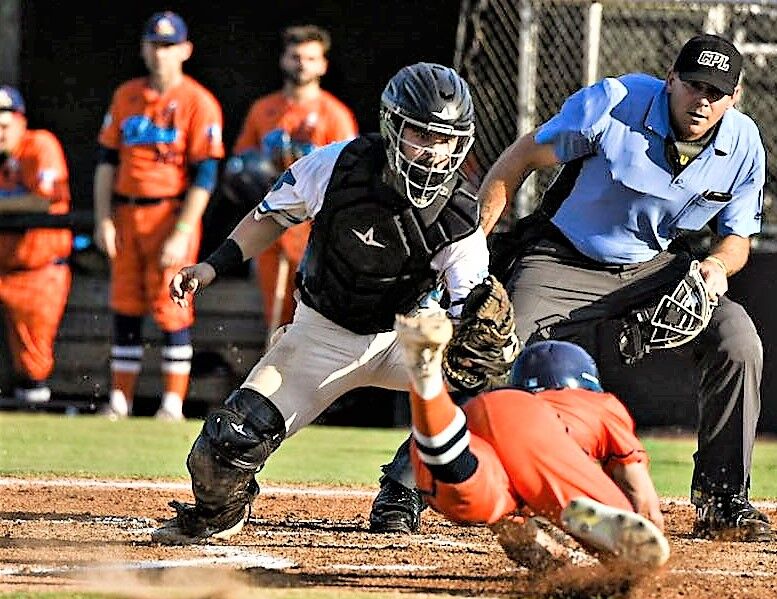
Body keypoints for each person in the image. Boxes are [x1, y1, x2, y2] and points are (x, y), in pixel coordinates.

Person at [150, 62, 488, 544]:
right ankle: (225, 512)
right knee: (222, 451)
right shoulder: (338, 165)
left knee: (491, 385)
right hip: (322, 333)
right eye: (420, 134)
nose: (434, 153)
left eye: (447, 140)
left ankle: (404, 485)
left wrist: (477, 344)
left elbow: (470, 315)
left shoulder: (460, 217)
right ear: (392, 126)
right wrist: (211, 266)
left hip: (408, 338)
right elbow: (271, 216)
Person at [477, 34, 770, 542]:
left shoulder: (743, 143)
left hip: (651, 267)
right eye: (693, 84)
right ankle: (412, 480)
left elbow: (736, 239)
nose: (703, 99)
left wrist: (716, 269)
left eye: (717, 91)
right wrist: (474, 246)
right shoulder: (614, 102)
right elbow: (519, 157)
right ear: (670, 79)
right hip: (563, 255)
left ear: (735, 97)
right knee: (490, 344)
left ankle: (723, 498)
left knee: (737, 338)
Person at [395, 311, 669, 570]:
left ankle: (428, 384)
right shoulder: (599, 403)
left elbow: (519, 541)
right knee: (618, 523)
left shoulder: (518, 400)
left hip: (472, 414)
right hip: (533, 423)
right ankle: (573, 508)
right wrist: (642, 558)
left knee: (472, 498)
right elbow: (640, 495)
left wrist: (565, 571)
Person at [93, 11, 225, 422]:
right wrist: (102, 219)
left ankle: (172, 403)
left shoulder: (198, 101)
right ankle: (120, 399)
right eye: (154, 44)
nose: (160, 53)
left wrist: (183, 229)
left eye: (169, 46)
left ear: (185, 50)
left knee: (173, 305)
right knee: (125, 304)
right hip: (126, 212)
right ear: (143, 48)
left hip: (171, 212)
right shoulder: (126, 94)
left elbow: (206, 173)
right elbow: (106, 161)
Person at [229, 24, 358, 331]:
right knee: (275, 315)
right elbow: (239, 166)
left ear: (324, 65)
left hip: (317, 232)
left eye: (311, 58)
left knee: (311, 319)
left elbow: (350, 177)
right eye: (295, 56)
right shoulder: (263, 110)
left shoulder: (335, 115)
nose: (302, 64)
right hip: (272, 225)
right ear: (283, 60)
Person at [0, 86, 72, 404]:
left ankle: (37, 416)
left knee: (34, 365)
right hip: (5, 268)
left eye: (4, 125)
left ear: (20, 122)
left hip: (39, 270)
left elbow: (43, 200)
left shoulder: (40, 144)